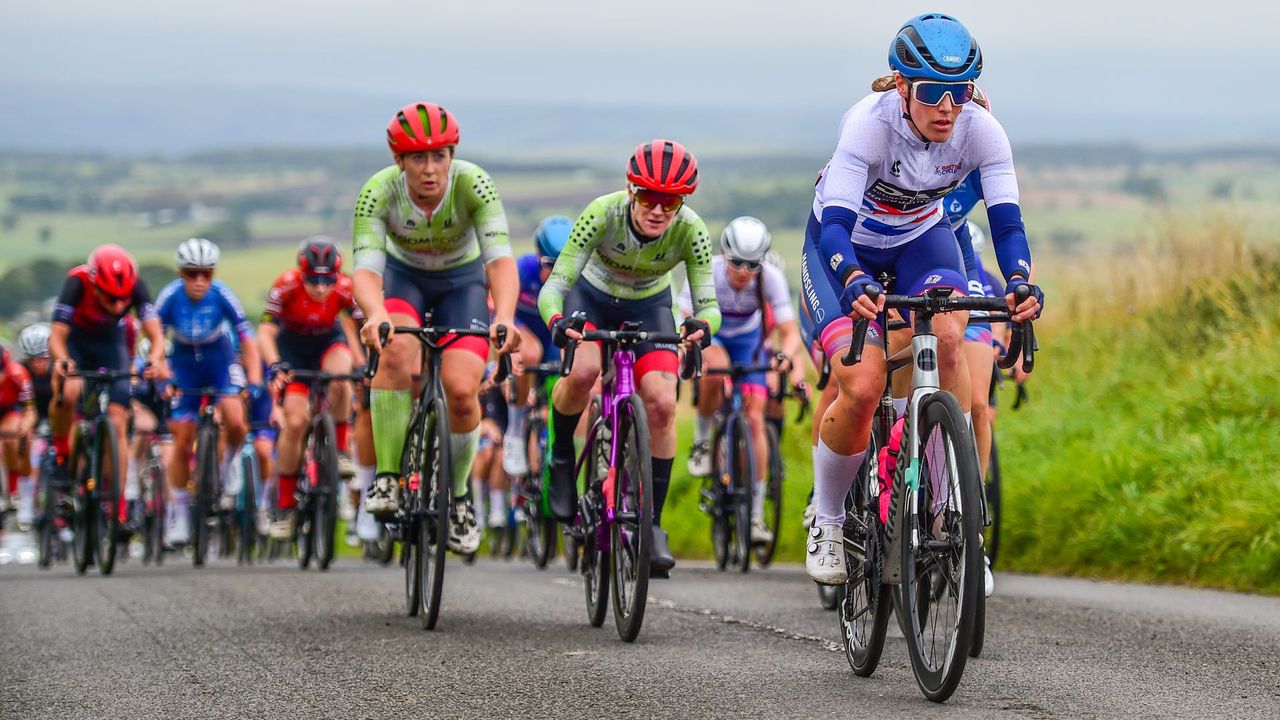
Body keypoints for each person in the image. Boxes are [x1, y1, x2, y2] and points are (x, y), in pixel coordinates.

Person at [797, 13, 1042, 584]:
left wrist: (1020, 281)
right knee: (860, 384)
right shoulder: (867, 125)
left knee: (951, 336)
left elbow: (1007, 224)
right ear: (902, 85)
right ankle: (828, 517)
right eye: (933, 93)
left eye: (959, 93)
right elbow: (833, 227)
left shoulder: (981, 129)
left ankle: (948, 512)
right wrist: (853, 279)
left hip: (917, 241)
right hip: (843, 244)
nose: (947, 108)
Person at [537, 139, 721, 576]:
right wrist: (558, 319)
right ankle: (562, 457)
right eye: (648, 197)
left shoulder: (690, 229)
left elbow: (707, 302)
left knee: (661, 402)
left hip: (649, 305)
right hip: (592, 296)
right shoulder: (602, 213)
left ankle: (652, 525)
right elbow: (555, 286)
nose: (658, 210)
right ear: (630, 191)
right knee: (582, 371)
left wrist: (702, 324)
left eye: (670, 201)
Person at [352, 101, 519, 556]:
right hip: (404, 280)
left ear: (452, 155)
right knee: (394, 352)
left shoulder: (475, 184)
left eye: (439, 156)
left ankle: (460, 496)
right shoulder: (378, 192)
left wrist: (503, 315)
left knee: (462, 390)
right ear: (399, 162)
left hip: (461, 283)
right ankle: (387, 476)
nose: (430, 169)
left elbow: (499, 260)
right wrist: (374, 313)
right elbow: (366, 269)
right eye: (418, 158)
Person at [682, 217, 808, 545]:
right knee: (714, 367)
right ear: (725, 253)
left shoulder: (771, 278)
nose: (743, 271)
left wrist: (785, 356)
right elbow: (683, 314)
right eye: (736, 262)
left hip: (749, 343)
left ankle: (754, 515)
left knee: (755, 415)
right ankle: (702, 441)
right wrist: (693, 347)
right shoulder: (706, 272)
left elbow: (789, 331)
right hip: (712, 335)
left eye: (752, 265)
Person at [50, 245, 168, 528]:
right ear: (95, 284)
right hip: (76, 343)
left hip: (111, 347)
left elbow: (155, 333)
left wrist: (154, 358)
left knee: (117, 422)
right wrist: (63, 360)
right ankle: (64, 456)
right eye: (109, 298)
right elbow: (56, 336)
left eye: (121, 300)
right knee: (67, 392)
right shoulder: (77, 281)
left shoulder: (136, 286)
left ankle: (117, 507)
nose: (117, 306)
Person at [154, 238, 261, 543]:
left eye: (206, 274)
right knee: (182, 438)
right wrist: (162, 377)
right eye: (191, 274)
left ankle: (228, 464)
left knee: (236, 418)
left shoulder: (223, 294)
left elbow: (247, 340)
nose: (199, 281)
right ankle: (180, 515)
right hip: (184, 362)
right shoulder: (169, 297)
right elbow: (155, 341)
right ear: (180, 273)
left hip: (219, 357)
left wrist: (252, 382)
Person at [258, 236, 362, 539]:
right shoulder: (286, 285)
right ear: (302, 274)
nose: (320, 287)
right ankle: (285, 505)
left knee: (340, 378)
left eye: (327, 280)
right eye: (313, 280)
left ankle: (340, 448)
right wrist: (276, 363)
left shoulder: (345, 287)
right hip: (292, 349)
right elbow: (265, 331)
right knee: (294, 422)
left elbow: (362, 323)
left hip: (327, 343)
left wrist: (367, 363)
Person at [502, 215, 572, 477]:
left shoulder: (573, 280)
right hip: (526, 327)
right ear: (537, 256)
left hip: (553, 331)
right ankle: (516, 430)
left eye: (562, 265)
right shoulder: (523, 270)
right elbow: (500, 310)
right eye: (549, 264)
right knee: (530, 354)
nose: (556, 272)